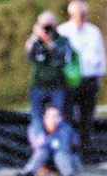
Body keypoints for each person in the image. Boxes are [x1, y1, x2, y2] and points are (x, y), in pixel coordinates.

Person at [58, 0, 106, 152]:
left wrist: (100, 76)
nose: (82, 18)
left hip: (89, 79)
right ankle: (70, 150)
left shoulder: (93, 31)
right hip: (70, 81)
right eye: (79, 15)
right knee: (68, 117)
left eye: (84, 14)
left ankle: (86, 152)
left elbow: (101, 56)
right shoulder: (63, 31)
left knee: (87, 118)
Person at [25, 11, 73, 150]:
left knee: (58, 119)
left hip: (57, 85)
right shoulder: (35, 40)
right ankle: (40, 154)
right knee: (37, 121)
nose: (47, 29)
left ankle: (60, 151)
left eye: (49, 26)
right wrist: (35, 36)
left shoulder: (62, 40)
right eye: (44, 26)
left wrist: (50, 43)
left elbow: (65, 58)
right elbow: (28, 55)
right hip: (38, 85)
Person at [15, 106, 82, 176]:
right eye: (51, 117)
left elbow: (62, 149)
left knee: (60, 155)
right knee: (42, 151)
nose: (54, 120)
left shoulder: (65, 129)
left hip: (68, 160)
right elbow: (39, 149)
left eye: (56, 117)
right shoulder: (38, 128)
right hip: (49, 162)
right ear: (45, 118)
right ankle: (28, 173)